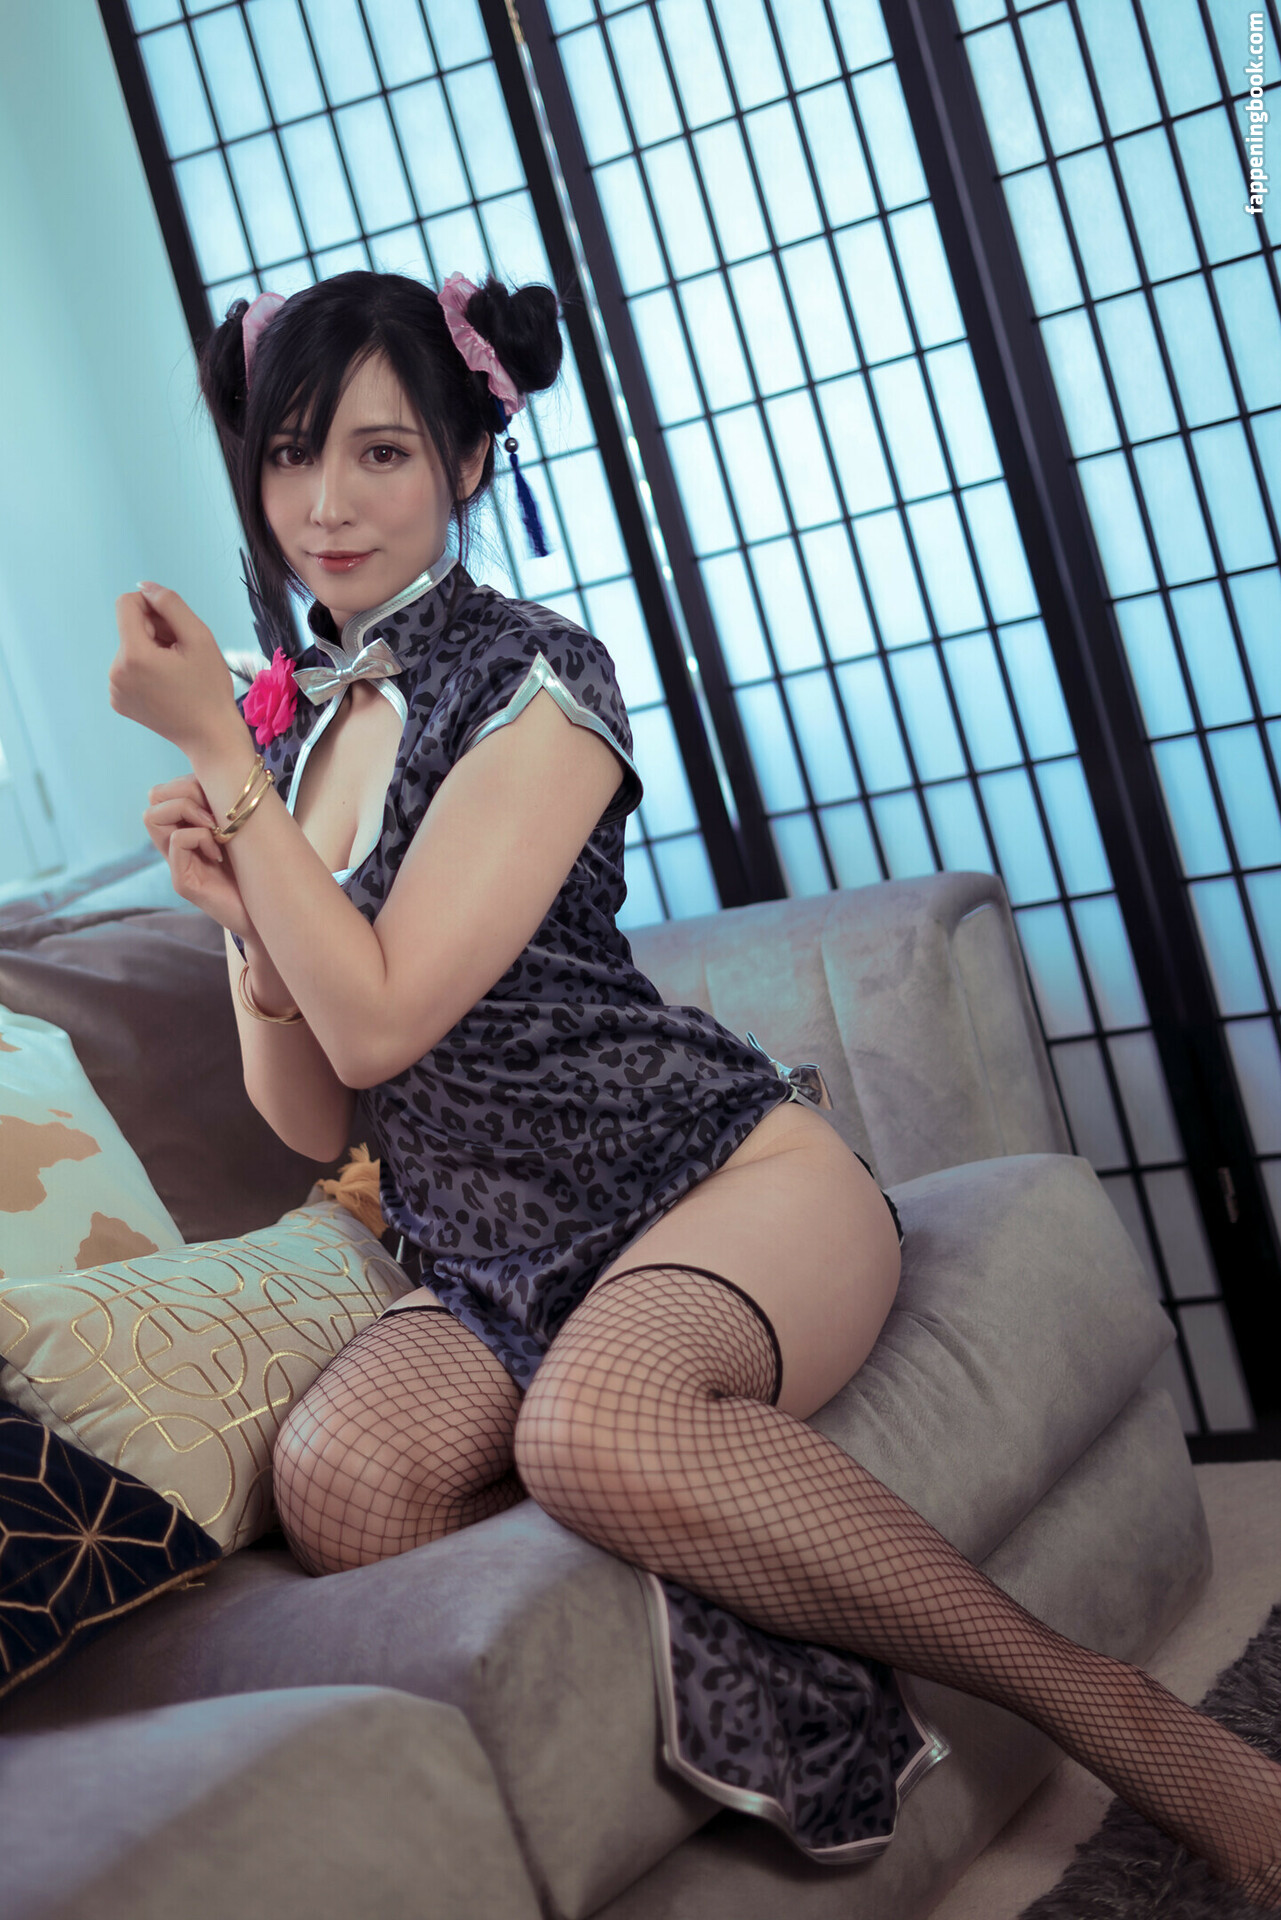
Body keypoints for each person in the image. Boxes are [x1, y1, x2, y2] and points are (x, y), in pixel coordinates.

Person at [110, 268, 1281, 1895]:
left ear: (465, 459)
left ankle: (1136, 1725)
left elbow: (375, 1027)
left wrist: (223, 773)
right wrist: (246, 911)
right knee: (341, 1481)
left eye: (380, 452)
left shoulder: (537, 680)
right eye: (293, 452)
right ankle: (743, 1563)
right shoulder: (299, 742)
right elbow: (314, 1114)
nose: (325, 504)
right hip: (489, 1263)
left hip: (710, 1182)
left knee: (601, 1427)